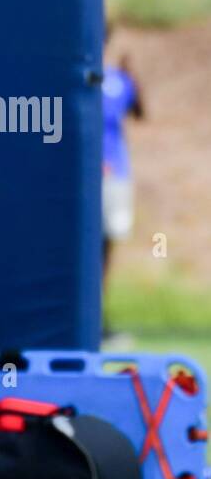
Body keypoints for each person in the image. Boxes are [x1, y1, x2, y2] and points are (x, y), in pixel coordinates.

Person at [101, 29, 144, 290]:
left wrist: (131, 74)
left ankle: (98, 319)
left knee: (106, 243)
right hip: (84, 174)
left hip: (115, 171)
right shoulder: (72, 76)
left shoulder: (118, 79)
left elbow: (140, 112)